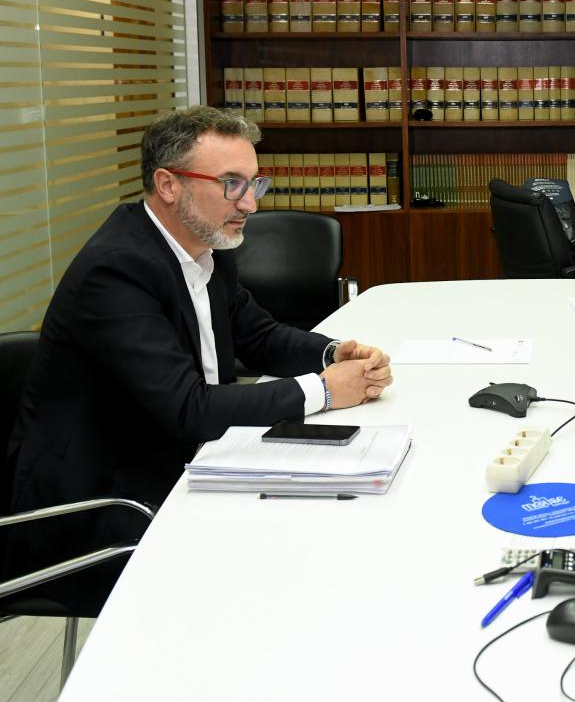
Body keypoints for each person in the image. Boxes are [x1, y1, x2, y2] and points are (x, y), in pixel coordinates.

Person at [5, 106, 393, 615]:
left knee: (332, 527)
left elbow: (258, 336)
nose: (250, 203)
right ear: (168, 185)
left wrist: (333, 352)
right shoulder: (117, 270)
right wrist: (323, 390)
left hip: (184, 461)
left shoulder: (204, 247)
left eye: (255, 183)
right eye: (232, 184)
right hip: (99, 511)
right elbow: (186, 408)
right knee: (277, 572)